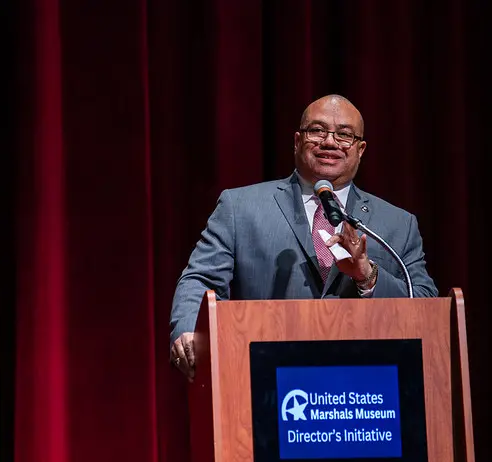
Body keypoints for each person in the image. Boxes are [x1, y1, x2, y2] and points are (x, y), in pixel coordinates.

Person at [169, 94, 437, 380]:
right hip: (266, 380)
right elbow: (202, 279)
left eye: (344, 135)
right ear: (297, 141)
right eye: (317, 131)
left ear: (360, 149)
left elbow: (425, 305)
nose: (330, 142)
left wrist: (367, 276)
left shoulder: (397, 223)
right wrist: (189, 329)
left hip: (366, 388)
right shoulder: (241, 207)